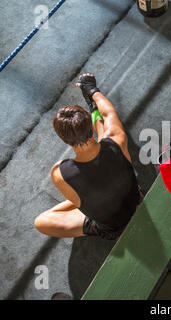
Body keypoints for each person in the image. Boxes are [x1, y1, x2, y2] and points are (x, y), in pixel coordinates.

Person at [34, 73, 141, 240]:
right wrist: (91, 89)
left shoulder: (60, 172)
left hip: (112, 227)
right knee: (106, 136)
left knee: (41, 221)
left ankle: (98, 205)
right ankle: (93, 110)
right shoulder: (116, 139)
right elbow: (109, 113)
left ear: (65, 140)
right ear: (91, 128)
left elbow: (78, 203)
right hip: (136, 203)